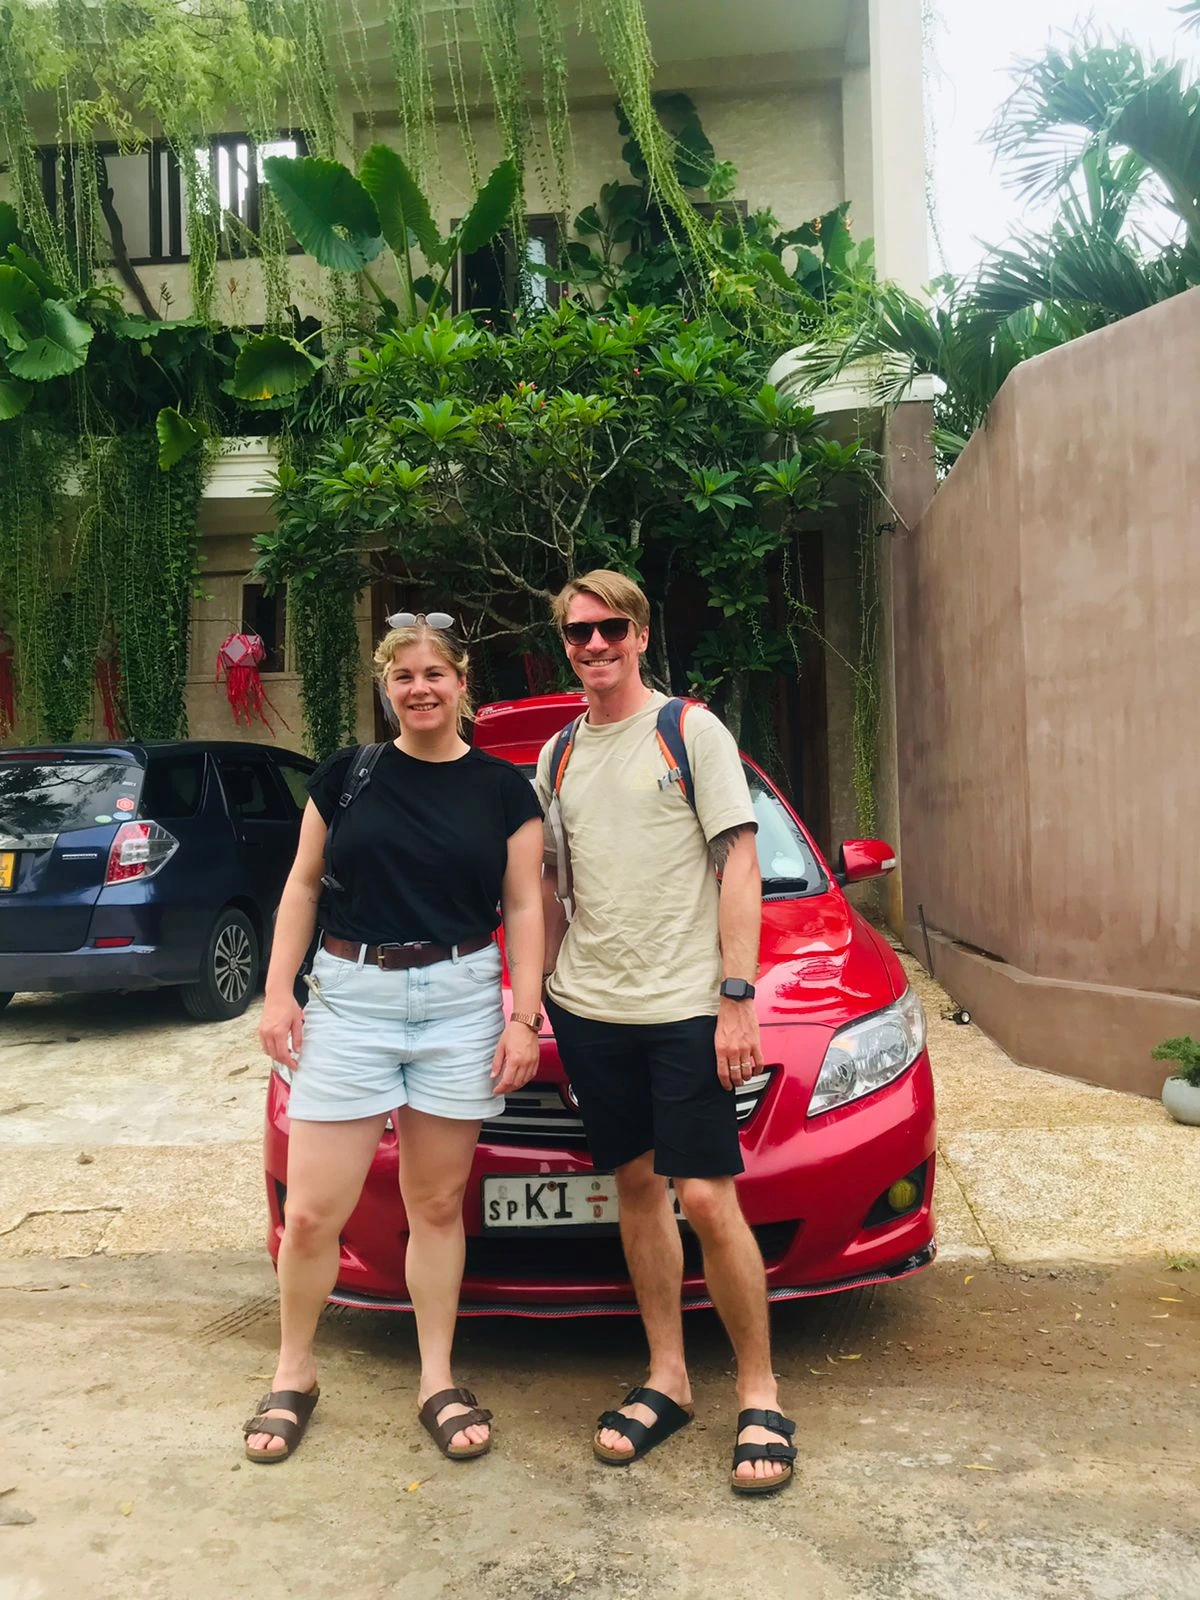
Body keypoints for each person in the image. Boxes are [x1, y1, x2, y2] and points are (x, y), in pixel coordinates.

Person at [245, 615, 545, 1465]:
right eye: (404, 676)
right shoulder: (348, 776)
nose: (420, 688)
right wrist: (279, 994)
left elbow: (524, 906)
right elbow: (302, 887)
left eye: (435, 674)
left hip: (459, 1005)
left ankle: (437, 1378)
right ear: (388, 688)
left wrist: (523, 1018)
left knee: (437, 1205)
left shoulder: (502, 789)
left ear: (461, 685)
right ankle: (294, 1371)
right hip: (350, 1001)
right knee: (309, 1215)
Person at [535, 570, 796, 1496]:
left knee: (710, 1198)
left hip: (685, 1007)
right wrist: (534, 997)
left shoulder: (691, 731)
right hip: (592, 1008)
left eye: (610, 629)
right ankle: (669, 1379)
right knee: (638, 1193)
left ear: (641, 633)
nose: (594, 646)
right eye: (577, 633)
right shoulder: (559, 753)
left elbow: (740, 865)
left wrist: (737, 995)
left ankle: (759, 1392)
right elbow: (553, 890)